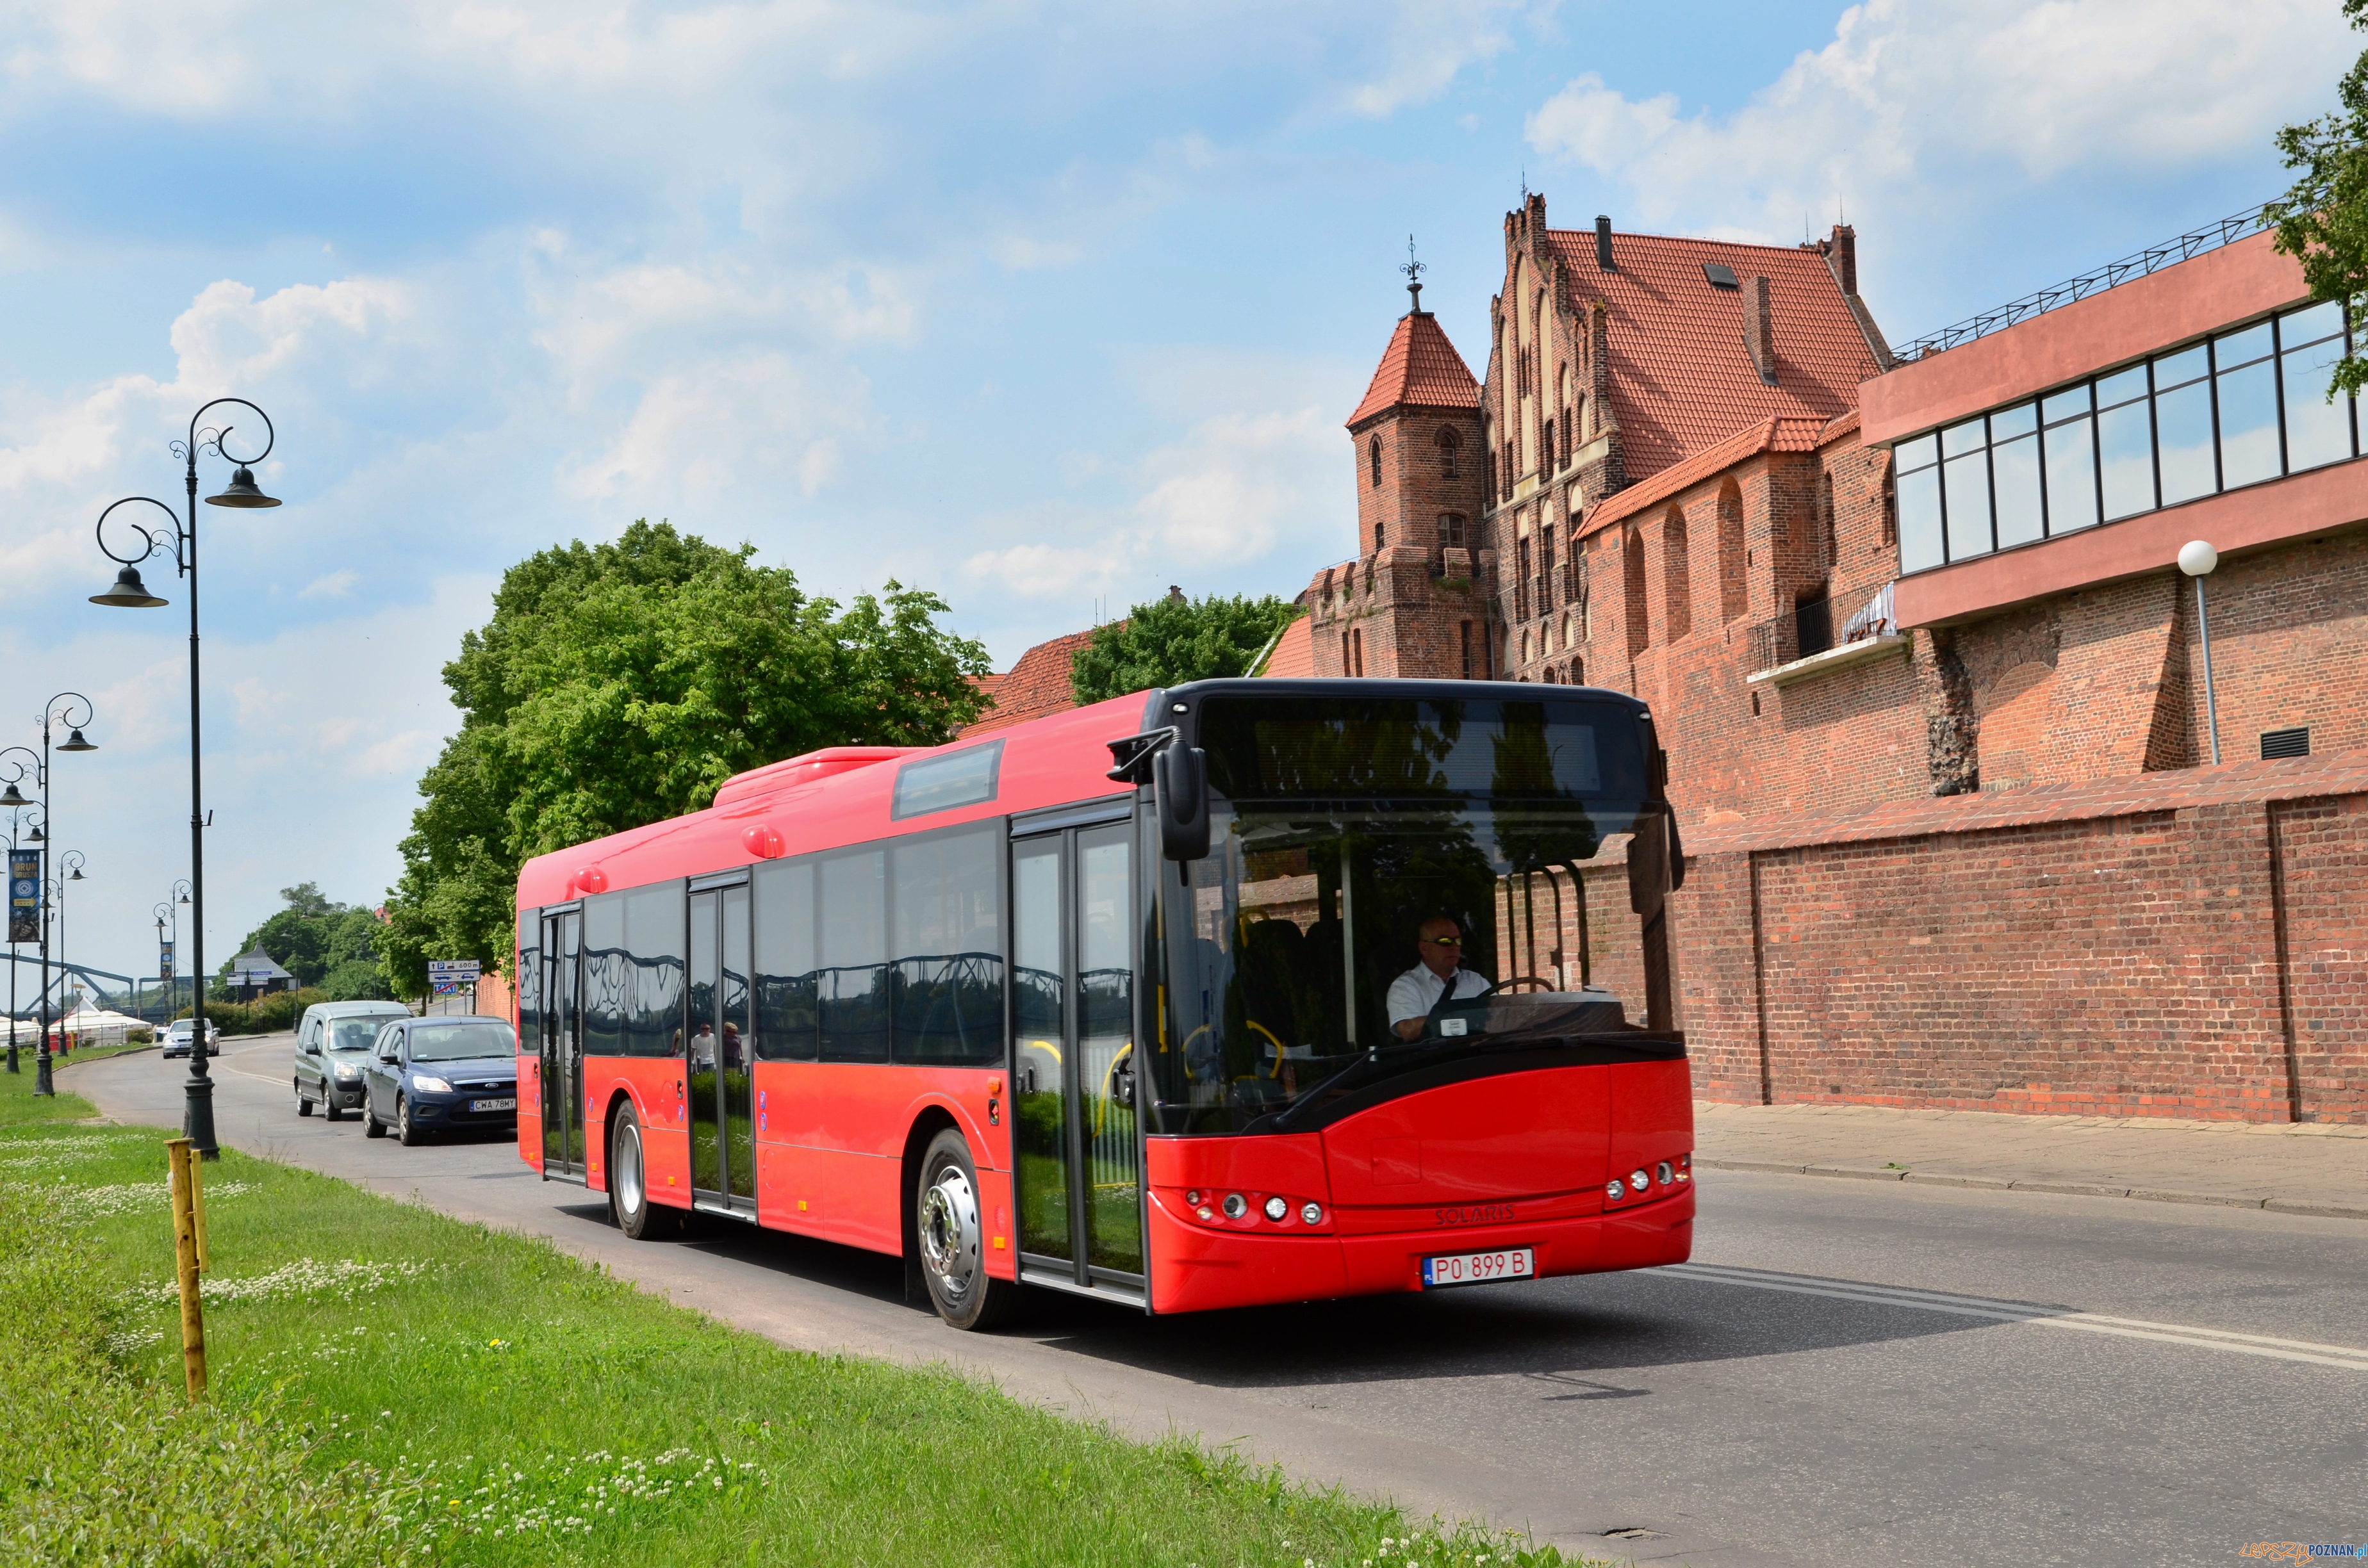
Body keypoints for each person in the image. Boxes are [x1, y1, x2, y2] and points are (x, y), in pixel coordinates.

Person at [1386, 916, 1490, 1040]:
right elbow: (1408, 1030)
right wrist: (1465, 1017)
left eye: (1457, 941)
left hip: (1477, 1057)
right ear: (1424, 948)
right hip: (1435, 1059)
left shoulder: (1476, 981)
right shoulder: (1405, 985)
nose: (1453, 947)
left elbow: (1499, 1018)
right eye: (1445, 941)